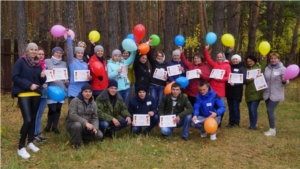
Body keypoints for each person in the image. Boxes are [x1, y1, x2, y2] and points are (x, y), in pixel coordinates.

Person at [12, 42, 46, 159]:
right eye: (31, 49)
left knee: (33, 118)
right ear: (27, 50)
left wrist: (43, 77)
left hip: (36, 94)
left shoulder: (38, 64)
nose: (34, 51)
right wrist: (29, 85)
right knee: (28, 119)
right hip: (24, 94)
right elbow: (15, 77)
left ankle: (30, 142)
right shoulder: (21, 62)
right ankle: (21, 147)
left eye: (35, 50)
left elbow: (40, 82)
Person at [65, 84, 103, 150]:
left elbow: (95, 117)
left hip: (87, 126)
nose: (88, 93)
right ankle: (76, 144)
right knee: (77, 125)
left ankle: (81, 137)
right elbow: (72, 115)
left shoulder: (93, 103)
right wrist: (85, 122)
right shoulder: (75, 101)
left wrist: (95, 128)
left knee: (100, 135)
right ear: (82, 92)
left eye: (90, 92)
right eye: (86, 91)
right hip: (73, 123)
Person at [204, 44, 231, 126]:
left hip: (221, 89)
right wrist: (206, 50)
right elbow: (208, 59)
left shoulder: (227, 66)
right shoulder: (214, 64)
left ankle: (218, 122)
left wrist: (220, 79)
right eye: (218, 57)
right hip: (212, 88)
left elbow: (228, 77)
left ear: (223, 57)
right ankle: (210, 121)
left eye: (221, 57)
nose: (219, 58)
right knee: (211, 105)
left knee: (220, 106)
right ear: (216, 58)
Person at [263, 53, 289, 136]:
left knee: (270, 110)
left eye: (275, 58)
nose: (273, 60)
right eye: (271, 58)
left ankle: (272, 130)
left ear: (278, 59)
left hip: (276, 93)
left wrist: (284, 81)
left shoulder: (282, 69)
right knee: (269, 111)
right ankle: (271, 128)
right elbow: (264, 78)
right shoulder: (267, 68)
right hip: (267, 93)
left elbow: (287, 81)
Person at [44, 47, 68, 134]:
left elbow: (65, 75)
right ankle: (48, 126)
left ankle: (55, 127)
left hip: (61, 89)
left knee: (58, 108)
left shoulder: (64, 64)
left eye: (61, 53)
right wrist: (47, 71)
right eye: (57, 52)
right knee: (52, 109)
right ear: (53, 53)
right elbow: (42, 73)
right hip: (51, 89)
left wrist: (66, 80)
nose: (59, 54)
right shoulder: (47, 61)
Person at [66, 30, 92, 104]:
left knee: (82, 110)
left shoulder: (85, 64)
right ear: (75, 53)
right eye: (78, 53)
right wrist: (69, 38)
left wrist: (90, 78)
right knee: (72, 110)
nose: (80, 54)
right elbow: (69, 51)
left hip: (83, 89)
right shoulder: (72, 61)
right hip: (73, 89)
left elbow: (88, 76)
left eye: (81, 53)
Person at [245, 55, 267, 130]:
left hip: (257, 91)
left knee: (253, 109)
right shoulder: (246, 69)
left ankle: (253, 126)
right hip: (248, 92)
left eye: (251, 61)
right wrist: (248, 80)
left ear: (254, 61)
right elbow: (243, 81)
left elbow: (263, 70)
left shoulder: (259, 68)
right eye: (248, 62)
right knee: (250, 110)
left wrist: (264, 60)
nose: (249, 63)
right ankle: (251, 124)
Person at [225, 54, 246, 127]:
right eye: (233, 59)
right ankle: (231, 121)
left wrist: (235, 84)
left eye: (236, 59)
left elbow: (243, 80)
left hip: (237, 91)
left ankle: (236, 122)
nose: (235, 60)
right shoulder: (229, 67)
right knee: (230, 107)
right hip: (229, 90)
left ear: (239, 60)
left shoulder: (242, 68)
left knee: (235, 107)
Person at [146, 39, 168, 106]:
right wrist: (149, 45)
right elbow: (149, 56)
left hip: (162, 85)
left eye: (160, 56)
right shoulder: (154, 62)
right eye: (158, 56)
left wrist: (167, 78)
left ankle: (159, 115)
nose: (159, 57)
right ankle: (154, 114)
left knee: (160, 102)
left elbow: (169, 74)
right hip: (153, 84)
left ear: (163, 57)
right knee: (153, 101)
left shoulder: (166, 64)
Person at [34, 47, 48, 142]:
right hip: (37, 92)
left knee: (40, 114)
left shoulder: (45, 66)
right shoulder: (33, 66)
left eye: (42, 54)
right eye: (39, 54)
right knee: (35, 114)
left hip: (44, 93)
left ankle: (38, 133)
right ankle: (34, 134)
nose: (41, 56)